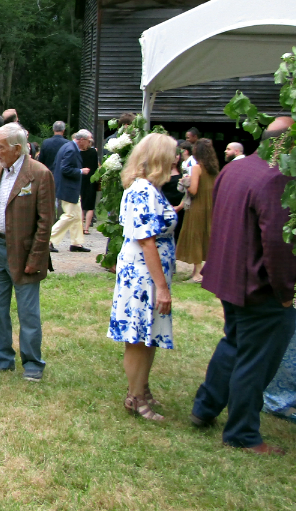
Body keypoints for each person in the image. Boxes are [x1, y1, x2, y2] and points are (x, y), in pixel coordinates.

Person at [190, 117, 296, 455]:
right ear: (290, 145)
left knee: (235, 343)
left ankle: (205, 407)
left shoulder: (236, 168)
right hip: (259, 284)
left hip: (231, 276)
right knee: (257, 357)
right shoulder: (276, 177)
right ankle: (241, 432)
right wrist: (287, 291)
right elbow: (277, 242)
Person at [107, 132, 179, 420]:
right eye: (172, 154)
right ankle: (135, 397)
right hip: (142, 276)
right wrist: (161, 287)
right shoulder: (143, 191)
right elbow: (147, 240)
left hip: (146, 273)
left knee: (148, 333)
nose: (177, 158)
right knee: (137, 336)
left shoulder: (148, 188)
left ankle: (142, 388)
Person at [0, 123, 55, 381]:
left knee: (28, 311)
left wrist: (36, 258)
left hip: (24, 252)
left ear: (16, 148)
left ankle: (33, 363)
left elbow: (46, 221)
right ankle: (3, 359)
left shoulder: (39, 173)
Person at [176, 137, 219, 283]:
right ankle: (199, 271)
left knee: (196, 236)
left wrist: (185, 182)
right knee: (206, 235)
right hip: (210, 205)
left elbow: (194, 190)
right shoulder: (213, 168)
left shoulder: (197, 167)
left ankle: (197, 273)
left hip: (198, 205)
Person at [50, 132, 89, 253]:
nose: (89, 144)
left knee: (76, 215)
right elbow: (65, 168)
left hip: (67, 186)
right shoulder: (71, 150)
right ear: (82, 140)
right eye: (89, 141)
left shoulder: (68, 146)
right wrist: (80, 171)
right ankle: (49, 239)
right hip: (68, 187)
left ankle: (76, 243)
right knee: (70, 215)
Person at [75, 130, 100, 236]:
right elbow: (96, 166)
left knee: (80, 203)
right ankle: (87, 228)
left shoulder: (77, 152)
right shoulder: (94, 152)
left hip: (80, 178)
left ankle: (80, 226)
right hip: (91, 179)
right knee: (90, 205)